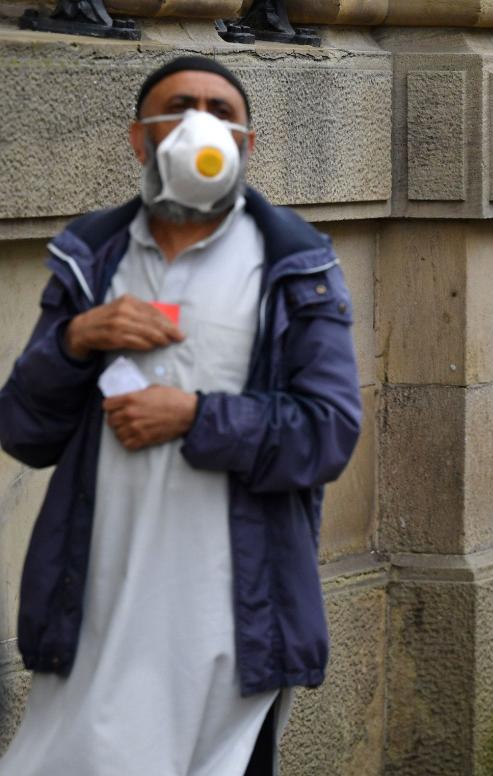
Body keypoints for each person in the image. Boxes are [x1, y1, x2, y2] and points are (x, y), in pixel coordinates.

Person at [0, 57, 362, 775]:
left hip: (231, 622)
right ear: (140, 138)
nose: (202, 122)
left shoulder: (295, 266)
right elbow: (22, 429)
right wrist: (75, 342)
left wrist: (195, 417)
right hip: (97, 616)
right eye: (181, 106)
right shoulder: (91, 260)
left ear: (248, 144)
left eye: (221, 111)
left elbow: (327, 432)